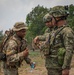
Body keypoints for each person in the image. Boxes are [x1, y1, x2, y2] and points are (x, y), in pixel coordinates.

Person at [34, 6, 74, 75]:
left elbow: (69, 50)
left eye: (52, 18)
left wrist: (66, 68)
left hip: (59, 69)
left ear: (57, 17)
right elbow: (47, 37)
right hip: (52, 67)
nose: (51, 20)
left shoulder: (67, 31)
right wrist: (38, 38)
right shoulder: (55, 30)